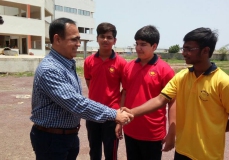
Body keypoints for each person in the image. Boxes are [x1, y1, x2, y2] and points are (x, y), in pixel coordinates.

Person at [124, 27, 229, 160]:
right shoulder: (182, 76)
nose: (184, 53)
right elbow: (160, 99)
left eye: (189, 49)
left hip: (208, 154)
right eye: (183, 48)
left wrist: (215, 129)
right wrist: (130, 113)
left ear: (206, 50)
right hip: (182, 150)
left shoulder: (224, 83)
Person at [30, 18, 133, 160]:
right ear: (57, 39)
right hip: (52, 140)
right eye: (74, 40)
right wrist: (115, 115)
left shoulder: (66, 65)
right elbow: (76, 103)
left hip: (68, 136)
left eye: (79, 39)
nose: (78, 44)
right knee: (94, 151)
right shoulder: (50, 69)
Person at [115, 25, 176, 160]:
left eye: (143, 44)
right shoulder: (129, 67)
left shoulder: (165, 70)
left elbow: (173, 101)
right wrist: (119, 122)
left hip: (152, 132)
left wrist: (172, 133)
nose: (138, 48)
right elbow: (124, 93)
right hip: (130, 129)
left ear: (154, 46)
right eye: (136, 44)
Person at [84, 22, 127, 160]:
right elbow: (90, 83)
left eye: (109, 37)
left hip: (112, 115)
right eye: (102, 36)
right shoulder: (89, 61)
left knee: (111, 153)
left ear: (114, 40)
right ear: (97, 38)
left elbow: (124, 91)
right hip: (92, 113)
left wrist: (119, 120)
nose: (105, 40)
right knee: (94, 152)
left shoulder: (121, 63)